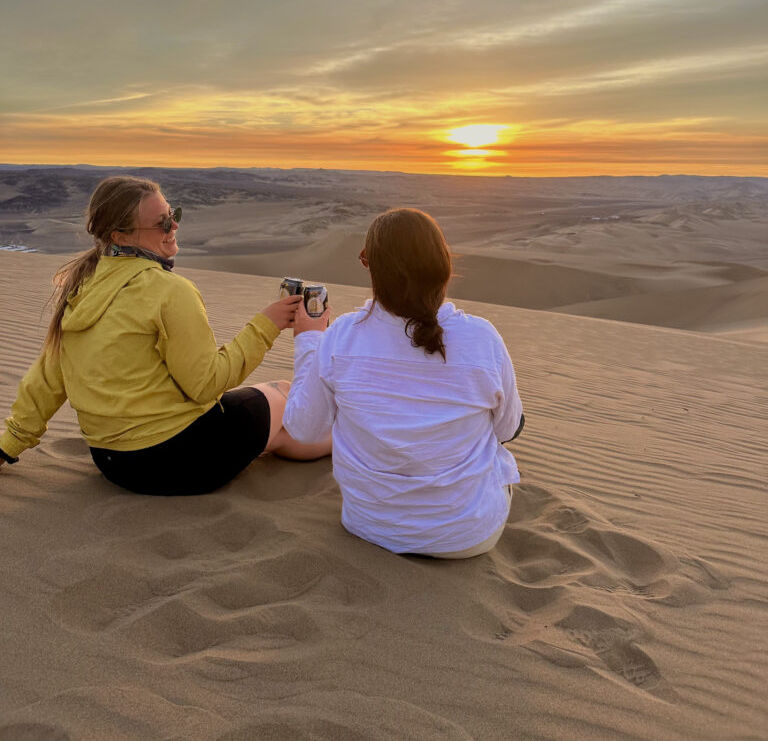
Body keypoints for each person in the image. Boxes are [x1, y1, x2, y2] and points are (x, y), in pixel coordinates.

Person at [0, 176, 331, 494]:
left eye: (173, 216)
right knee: (282, 396)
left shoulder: (82, 287)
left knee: (279, 414)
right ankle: (352, 445)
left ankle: (336, 440)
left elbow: (47, 379)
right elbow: (205, 385)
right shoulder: (169, 291)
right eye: (162, 223)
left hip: (114, 463)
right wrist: (267, 325)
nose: (174, 227)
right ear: (120, 236)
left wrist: (8, 445)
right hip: (179, 459)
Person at [283, 208, 525, 558]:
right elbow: (507, 430)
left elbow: (303, 429)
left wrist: (309, 341)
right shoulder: (482, 338)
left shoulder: (341, 336)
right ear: (444, 266)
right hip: (465, 539)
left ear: (370, 266)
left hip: (369, 526)